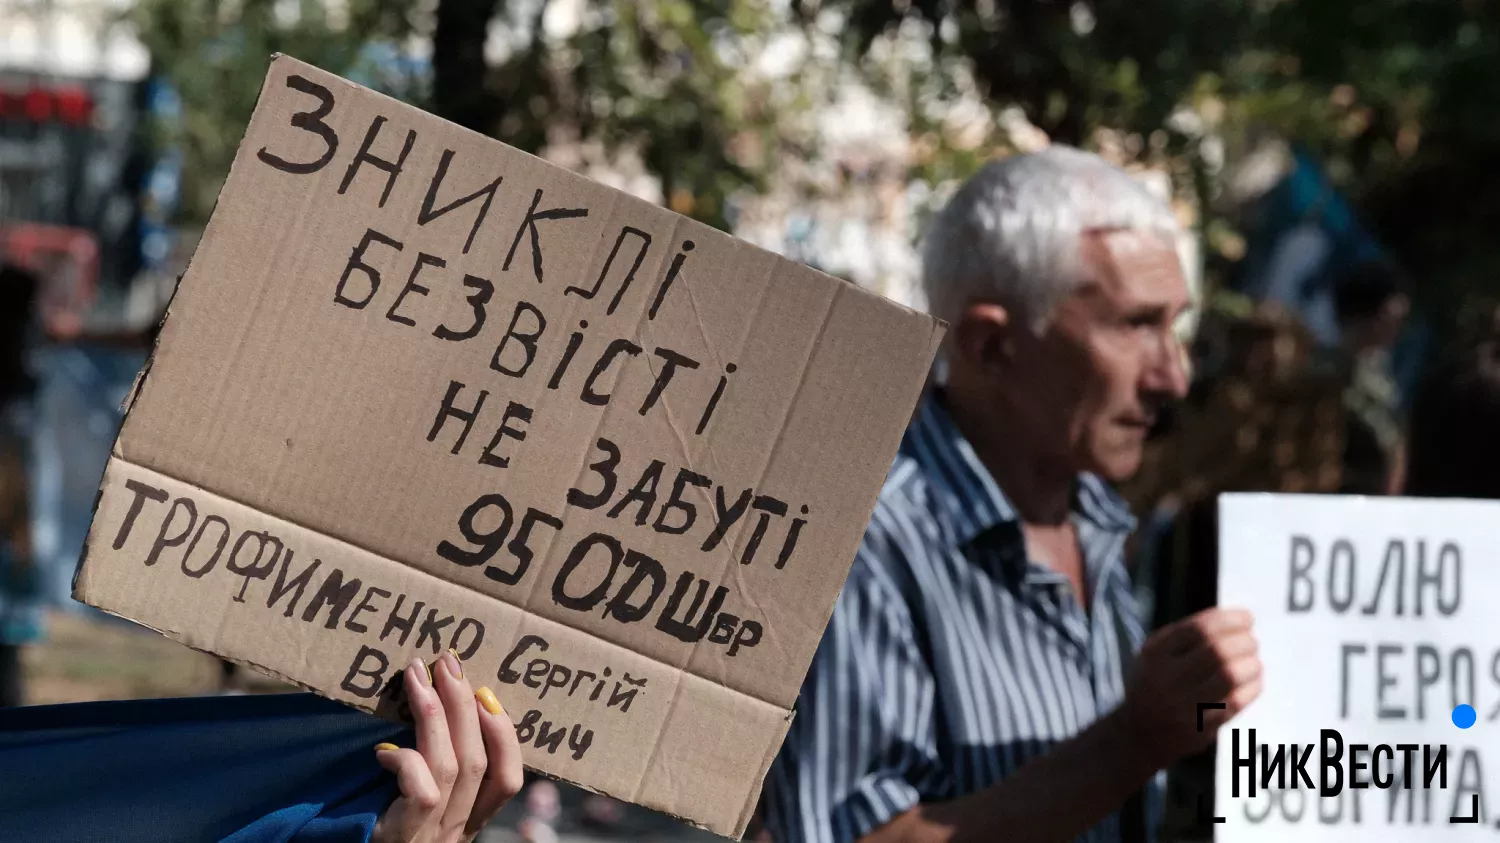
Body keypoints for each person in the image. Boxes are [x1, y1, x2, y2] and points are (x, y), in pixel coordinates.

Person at [762, 147, 1262, 843]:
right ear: (992, 345)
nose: (1172, 377)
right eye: (1134, 326)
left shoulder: (1091, 516)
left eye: (1173, 325)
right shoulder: (868, 539)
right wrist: (1134, 741)